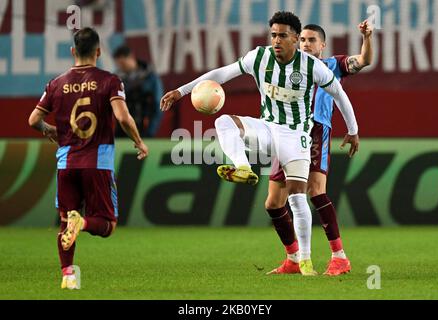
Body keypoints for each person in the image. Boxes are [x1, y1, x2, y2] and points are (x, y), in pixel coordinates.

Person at [160, 11, 358, 275]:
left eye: (283, 36)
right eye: (273, 35)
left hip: (297, 137)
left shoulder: (312, 67)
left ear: (295, 39)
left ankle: (305, 261)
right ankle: (242, 167)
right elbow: (221, 73)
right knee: (224, 123)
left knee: (298, 199)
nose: (276, 40)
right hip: (266, 128)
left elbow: (340, 95)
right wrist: (181, 91)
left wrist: (353, 130)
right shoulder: (259, 57)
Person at [28, 27, 148, 289]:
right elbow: (122, 117)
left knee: (63, 223)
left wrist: (49, 131)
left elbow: (34, 120)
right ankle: (80, 222)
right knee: (107, 225)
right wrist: (139, 142)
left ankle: (68, 277)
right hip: (98, 163)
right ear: (98, 51)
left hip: (66, 164)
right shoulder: (109, 81)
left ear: (73, 51)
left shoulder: (56, 83)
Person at [266, 21, 373, 275]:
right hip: (286, 131)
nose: (306, 44)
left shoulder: (333, 65)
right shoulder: (285, 66)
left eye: (312, 40)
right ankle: (293, 259)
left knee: (315, 191)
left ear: (322, 45)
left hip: (315, 129)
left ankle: (339, 257)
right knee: (273, 202)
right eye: (302, 40)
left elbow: (365, 60)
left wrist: (367, 38)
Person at [113, 45, 164, 137]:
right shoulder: (116, 78)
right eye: (119, 65)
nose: (121, 67)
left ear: (131, 57)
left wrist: (150, 132)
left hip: (144, 129)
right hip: (121, 130)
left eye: (123, 63)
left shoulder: (150, 78)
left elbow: (158, 105)